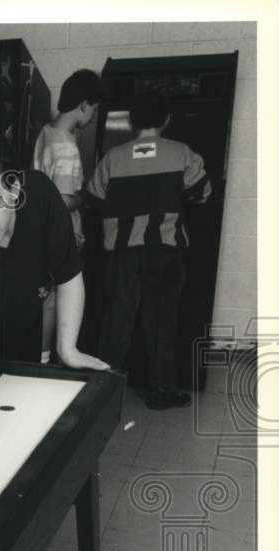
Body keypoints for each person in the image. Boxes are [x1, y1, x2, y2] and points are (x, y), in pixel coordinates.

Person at [0, 129, 109, 430]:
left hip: (21, 346)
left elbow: (69, 274)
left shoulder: (41, 195)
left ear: (13, 189)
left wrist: (67, 348)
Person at [86, 90, 211, 410]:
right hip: (165, 252)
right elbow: (203, 195)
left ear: (130, 121)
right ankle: (163, 392)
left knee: (116, 323)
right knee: (162, 324)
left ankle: (101, 392)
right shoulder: (183, 153)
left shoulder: (111, 158)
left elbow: (95, 200)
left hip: (122, 254)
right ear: (166, 120)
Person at [32, 69, 104, 363]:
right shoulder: (66, 147)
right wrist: (84, 196)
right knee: (54, 298)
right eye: (95, 110)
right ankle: (46, 359)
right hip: (59, 233)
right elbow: (61, 201)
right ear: (84, 104)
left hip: (40, 227)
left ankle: (43, 355)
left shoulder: (45, 133)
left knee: (45, 295)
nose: (94, 117)